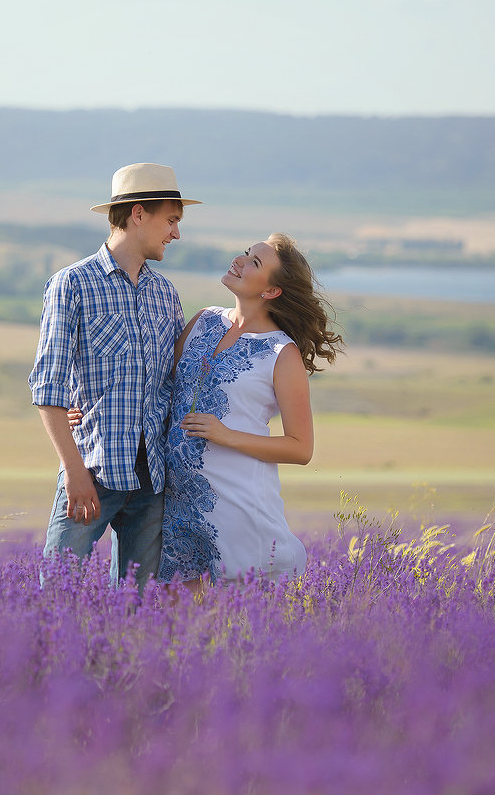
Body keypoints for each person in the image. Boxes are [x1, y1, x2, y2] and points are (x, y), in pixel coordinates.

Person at [72, 234, 343, 592]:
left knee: (243, 621)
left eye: (254, 263)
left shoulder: (281, 353)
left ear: (271, 291)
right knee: (175, 625)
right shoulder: (203, 321)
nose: (239, 260)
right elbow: (153, 388)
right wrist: (90, 408)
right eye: (247, 253)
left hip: (236, 503)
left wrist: (225, 434)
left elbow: (300, 447)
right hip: (175, 502)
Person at [28, 162, 201, 589]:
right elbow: (46, 385)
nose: (176, 234)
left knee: (138, 610)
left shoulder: (166, 293)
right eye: (171, 220)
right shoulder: (72, 284)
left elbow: (172, 383)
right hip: (92, 471)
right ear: (138, 213)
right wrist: (73, 471)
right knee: (57, 593)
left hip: (153, 481)